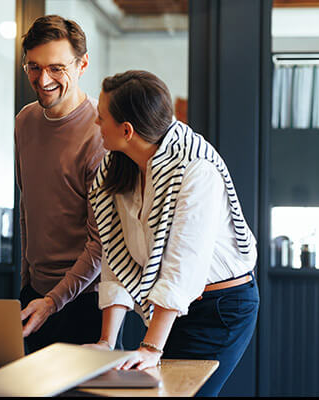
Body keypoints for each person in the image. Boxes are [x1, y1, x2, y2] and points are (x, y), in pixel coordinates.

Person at [87, 70, 259, 396]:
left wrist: (151, 348)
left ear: (127, 130)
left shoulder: (196, 169)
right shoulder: (117, 166)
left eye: (101, 117)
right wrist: (106, 342)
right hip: (172, 309)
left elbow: (184, 267)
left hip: (220, 309)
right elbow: (115, 254)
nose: (96, 122)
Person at [15, 15, 106, 353]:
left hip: (86, 302)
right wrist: (28, 284)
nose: (43, 80)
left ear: (83, 64)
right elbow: (28, 207)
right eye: (34, 68)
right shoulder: (25, 121)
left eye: (56, 68)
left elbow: (101, 243)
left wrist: (53, 301)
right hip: (34, 296)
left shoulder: (102, 133)